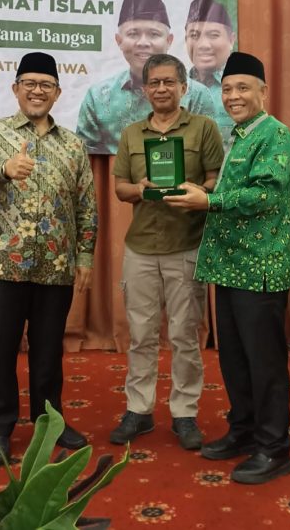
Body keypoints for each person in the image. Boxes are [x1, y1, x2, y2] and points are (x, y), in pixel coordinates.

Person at [166, 51, 290, 484]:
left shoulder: (276, 135)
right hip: (228, 267)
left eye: (243, 88)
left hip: (260, 271)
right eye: (227, 89)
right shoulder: (239, 135)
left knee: (265, 365)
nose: (233, 96)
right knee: (236, 362)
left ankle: (275, 448)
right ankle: (244, 431)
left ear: (264, 91)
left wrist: (209, 200)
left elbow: (266, 195)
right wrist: (203, 194)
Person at [0, 51, 98, 467]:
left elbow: (86, 205)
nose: (37, 91)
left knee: (48, 353)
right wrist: (3, 168)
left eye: (46, 85)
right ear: (16, 88)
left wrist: (85, 256)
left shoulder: (73, 144)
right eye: (30, 83)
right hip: (1, 264)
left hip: (55, 266)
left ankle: (49, 423)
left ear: (57, 92)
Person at [110, 53, 224, 450]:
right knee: (141, 335)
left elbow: (215, 179)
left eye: (169, 82)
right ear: (144, 89)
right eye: (154, 83)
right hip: (140, 248)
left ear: (183, 87)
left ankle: (184, 413)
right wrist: (140, 190)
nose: (161, 89)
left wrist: (197, 193)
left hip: (186, 245)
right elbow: (120, 187)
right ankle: (138, 410)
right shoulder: (131, 134)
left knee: (184, 334)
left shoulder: (204, 128)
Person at [76, 0, 216, 154]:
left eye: (154, 34)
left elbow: (209, 154)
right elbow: (85, 158)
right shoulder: (98, 97)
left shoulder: (197, 95)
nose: (143, 43)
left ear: (169, 40)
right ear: (119, 40)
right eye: (133, 34)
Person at [185, 0, 236, 145]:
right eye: (194, 35)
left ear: (231, 40)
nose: (203, 45)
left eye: (213, 35)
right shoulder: (174, 88)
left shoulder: (244, 88)